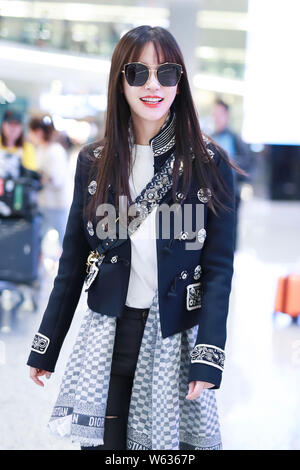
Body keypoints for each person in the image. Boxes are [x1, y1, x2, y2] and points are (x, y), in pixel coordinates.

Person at [26, 26, 244, 451]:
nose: (153, 85)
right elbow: (73, 262)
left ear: (179, 82)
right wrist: (46, 345)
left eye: (166, 73)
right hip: (107, 336)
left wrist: (210, 352)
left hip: (175, 344)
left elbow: (219, 269)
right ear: (119, 80)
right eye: (137, 72)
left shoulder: (208, 162)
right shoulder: (95, 161)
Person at [211, 98, 252, 251]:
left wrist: (227, 164)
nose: (216, 116)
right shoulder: (210, 137)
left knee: (229, 228)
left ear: (226, 115)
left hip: (231, 192)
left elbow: (247, 163)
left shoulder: (234, 138)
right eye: (214, 113)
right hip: (212, 193)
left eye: (219, 113)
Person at [28, 115, 71, 247]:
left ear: (39, 132)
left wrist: (41, 178)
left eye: (31, 132)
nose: (30, 136)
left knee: (64, 240)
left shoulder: (55, 151)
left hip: (57, 205)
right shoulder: (41, 149)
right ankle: (38, 265)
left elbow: (57, 180)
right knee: (38, 238)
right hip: (44, 204)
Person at [0, 109, 37, 178]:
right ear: (3, 125)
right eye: (10, 124)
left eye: (16, 124)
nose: (13, 129)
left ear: (21, 127)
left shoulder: (27, 148)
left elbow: (31, 175)